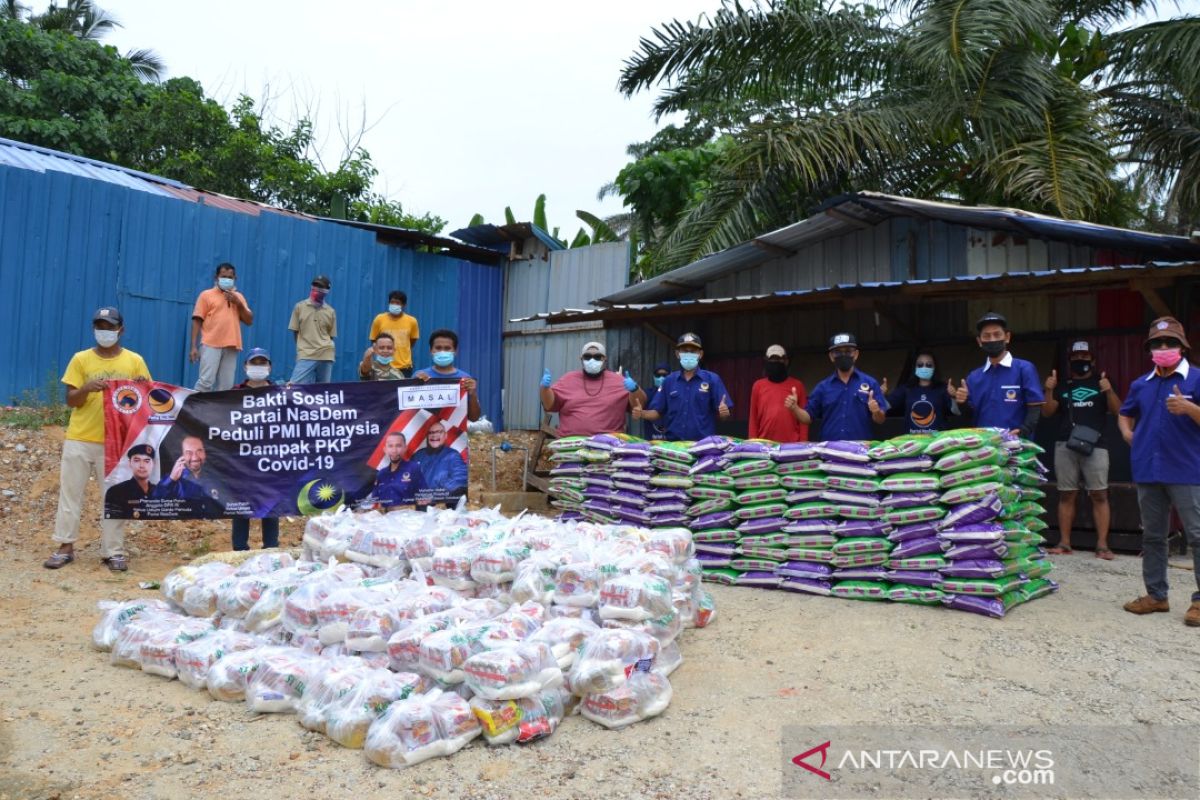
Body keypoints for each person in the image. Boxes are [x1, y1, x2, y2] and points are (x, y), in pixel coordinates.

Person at [44, 306, 150, 572]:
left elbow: (147, 399)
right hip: (80, 437)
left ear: (120, 330)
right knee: (70, 494)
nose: (104, 332)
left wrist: (140, 385)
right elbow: (70, 400)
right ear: (94, 329)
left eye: (109, 327)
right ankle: (65, 547)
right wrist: (86, 389)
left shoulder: (134, 361)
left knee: (113, 497)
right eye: (100, 326)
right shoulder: (81, 360)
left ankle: (113, 552)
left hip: (116, 442)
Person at [1118, 316, 1200, 625]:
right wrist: (1126, 432)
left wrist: (1190, 409)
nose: (1163, 348)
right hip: (1148, 470)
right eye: (1157, 344)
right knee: (1153, 536)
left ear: (1182, 347)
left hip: (1188, 470)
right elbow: (1125, 414)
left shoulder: (1197, 379)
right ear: (1149, 349)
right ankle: (1156, 596)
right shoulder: (1142, 384)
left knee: (1197, 536)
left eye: (1170, 343)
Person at [1042, 341, 1121, 559]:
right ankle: (1065, 543)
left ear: (1093, 361)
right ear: (1069, 361)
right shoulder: (1063, 386)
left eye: (1085, 357)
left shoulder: (1102, 383)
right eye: (1076, 357)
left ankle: (1102, 545)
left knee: (1099, 494)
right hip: (1065, 445)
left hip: (1096, 445)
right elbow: (1048, 413)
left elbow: (1118, 411)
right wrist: (1049, 390)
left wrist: (1110, 390)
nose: (1081, 361)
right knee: (1067, 494)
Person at [958, 312, 1044, 437]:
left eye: (997, 334)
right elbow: (969, 417)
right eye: (986, 336)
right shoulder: (973, 377)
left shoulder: (1024, 369)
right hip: (984, 448)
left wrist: (1024, 430)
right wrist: (962, 402)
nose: (992, 339)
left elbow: (1035, 407)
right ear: (979, 341)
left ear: (1007, 337)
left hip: (1018, 447)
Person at [633, 333, 731, 441]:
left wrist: (724, 413)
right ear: (677, 354)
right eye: (684, 351)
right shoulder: (669, 381)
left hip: (703, 446)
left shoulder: (712, 379)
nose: (688, 354)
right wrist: (642, 413)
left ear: (700, 354)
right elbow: (657, 412)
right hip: (674, 445)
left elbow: (724, 416)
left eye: (693, 351)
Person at [540, 341, 647, 436]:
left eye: (597, 357)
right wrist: (545, 389)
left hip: (608, 446)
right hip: (572, 446)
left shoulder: (619, 381)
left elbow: (639, 404)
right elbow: (549, 405)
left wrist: (635, 389)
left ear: (604, 359)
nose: (592, 360)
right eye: (587, 356)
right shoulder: (568, 379)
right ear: (581, 359)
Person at [793, 333, 887, 440]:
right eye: (837, 352)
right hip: (830, 451)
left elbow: (880, 420)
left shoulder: (870, 383)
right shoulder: (823, 387)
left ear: (856, 354)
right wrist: (794, 408)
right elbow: (807, 418)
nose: (843, 355)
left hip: (861, 451)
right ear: (831, 356)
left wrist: (876, 411)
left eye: (848, 351)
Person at [231, 348, 280, 550]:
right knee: (241, 505)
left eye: (262, 363)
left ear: (269, 367)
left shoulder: (280, 393)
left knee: (271, 505)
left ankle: (271, 547)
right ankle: (240, 549)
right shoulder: (234, 393)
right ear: (245, 366)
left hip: (271, 458)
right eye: (254, 362)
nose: (258, 367)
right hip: (242, 459)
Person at [189, 262, 253, 392]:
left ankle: (220, 412)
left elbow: (249, 320)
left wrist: (238, 303)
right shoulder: (206, 295)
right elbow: (197, 320)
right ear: (216, 278)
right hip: (210, 343)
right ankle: (196, 409)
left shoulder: (239, 297)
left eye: (230, 277)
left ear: (235, 279)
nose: (227, 280)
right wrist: (193, 346)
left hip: (232, 345)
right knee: (205, 381)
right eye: (223, 276)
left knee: (226, 386)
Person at [883, 349, 959, 434]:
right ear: (914, 368)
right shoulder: (906, 388)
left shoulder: (942, 388)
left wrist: (953, 396)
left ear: (934, 367)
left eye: (929, 365)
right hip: (912, 441)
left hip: (936, 441)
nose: (924, 367)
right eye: (920, 364)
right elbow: (885, 406)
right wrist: (880, 395)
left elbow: (956, 412)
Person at [414, 329, 482, 421]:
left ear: (455, 351)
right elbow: (406, 413)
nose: (442, 351)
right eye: (438, 348)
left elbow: (474, 418)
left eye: (447, 348)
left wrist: (473, 394)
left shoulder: (465, 379)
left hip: (453, 433)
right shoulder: (419, 376)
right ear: (431, 351)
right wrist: (414, 384)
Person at [748, 344, 809, 442]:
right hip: (764, 444)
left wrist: (803, 443)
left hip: (792, 445)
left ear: (786, 361)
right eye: (772, 359)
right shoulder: (758, 386)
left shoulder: (798, 385)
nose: (775, 362)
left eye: (779, 359)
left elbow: (804, 419)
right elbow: (753, 418)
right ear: (766, 361)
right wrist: (752, 443)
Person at [153, 435, 223, 513]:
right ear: (181, 455)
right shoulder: (171, 479)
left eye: (199, 451)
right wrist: (171, 479)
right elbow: (155, 504)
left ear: (205, 453)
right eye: (189, 452)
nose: (195, 458)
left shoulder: (216, 478)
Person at [288, 275, 336, 384]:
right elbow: (295, 331)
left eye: (321, 287)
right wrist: (302, 349)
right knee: (295, 387)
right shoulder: (299, 307)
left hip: (326, 354)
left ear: (327, 291)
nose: (317, 289)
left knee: (322, 392)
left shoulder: (330, 311)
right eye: (315, 285)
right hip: (306, 354)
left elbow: (331, 336)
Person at [410, 420, 468, 501]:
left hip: (440, 506)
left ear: (445, 435)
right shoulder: (417, 455)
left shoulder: (452, 455)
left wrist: (434, 497)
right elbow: (408, 479)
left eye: (438, 432)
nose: (434, 435)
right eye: (431, 432)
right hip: (416, 505)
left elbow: (460, 482)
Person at [368, 290, 420, 377]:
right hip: (383, 366)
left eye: (397, 303)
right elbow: (374, 340)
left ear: (404, 305)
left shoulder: (412, 321)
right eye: (392, 302)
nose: (394, 305)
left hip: (404, 367)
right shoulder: (379, 319)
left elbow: (412, 341)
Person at [373, 431, 426, 507]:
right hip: (386, 517)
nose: (394, 450)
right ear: (385, 449)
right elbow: (378, 503)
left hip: (408, 516)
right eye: (390, 446)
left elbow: (425, 497)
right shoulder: (381, 474)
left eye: (398, 446)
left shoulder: (414, 468)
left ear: (405, 448)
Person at [104, 445, 157, 518]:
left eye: (146, 461)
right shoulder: (115, 492)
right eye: (137, 460)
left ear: (153, 464)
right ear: (129, 463)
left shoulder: (160, 492)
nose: (142, 465)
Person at [642, 363, 670, 440]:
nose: (661, 378)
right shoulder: (647, 393)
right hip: (651, 441)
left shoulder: (674, 394)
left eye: (665, 375)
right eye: (658, 375)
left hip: (671, 442)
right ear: (654, 376)